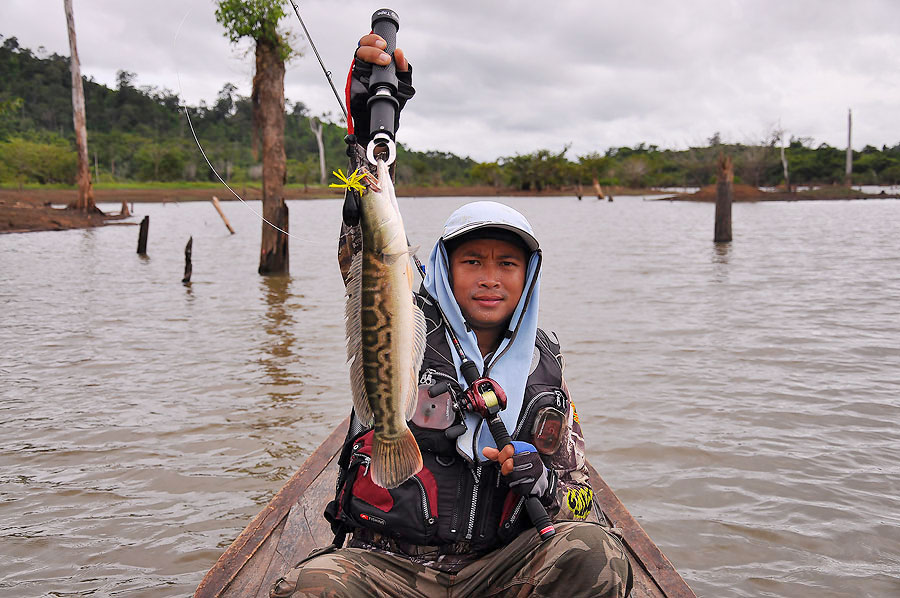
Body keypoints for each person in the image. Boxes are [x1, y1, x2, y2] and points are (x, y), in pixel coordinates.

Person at [271, 33, 633, 598]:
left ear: (528, 276)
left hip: (500, 569)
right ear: (441, 265)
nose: (490, 276)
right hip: (391, 569)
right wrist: (367, 130)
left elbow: (580, 498)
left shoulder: (545, 365)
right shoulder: (407, 317)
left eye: (508, 263)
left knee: (595, 554)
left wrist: (543, 477)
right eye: (472, 261)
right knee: (311, 586)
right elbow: (362, 249)